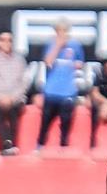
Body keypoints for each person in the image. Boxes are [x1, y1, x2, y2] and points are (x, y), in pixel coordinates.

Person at [36, 20, 86, 149]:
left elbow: (80, 62)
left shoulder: (75, 45)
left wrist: (75, 65)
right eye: (58, 31)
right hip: (51, 91)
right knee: (45, 122)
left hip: (68, 91)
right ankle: (40, 145)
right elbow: (48, 62)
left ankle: (63, 148)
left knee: (66, 122)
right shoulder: (51, 44)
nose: (61, 33)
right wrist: (57, 46)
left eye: (64, 31)